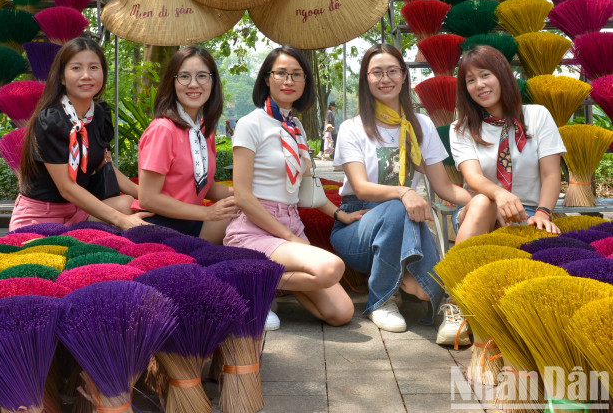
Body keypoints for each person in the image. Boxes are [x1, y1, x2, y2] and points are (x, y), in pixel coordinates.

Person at [329, 43, 472, 341]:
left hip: (409, 217)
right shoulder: (352, 128)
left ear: (404, 75)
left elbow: (442, 187)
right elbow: (360, 186)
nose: (385, 79)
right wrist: (404, 192)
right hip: (357, 224)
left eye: (393, 71)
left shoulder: (422, 125)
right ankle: (383, 299)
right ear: (366, 79)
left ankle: (437, 300)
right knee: (399, 206)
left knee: (420, 286)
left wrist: (484, 200)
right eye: (377, 72)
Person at [226, 45, 363, 329]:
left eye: (296, 75)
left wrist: (341, 215)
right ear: (267, 78)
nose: (288, 81)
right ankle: (245, 278)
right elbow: (242, 196)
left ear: (305, 82)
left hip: (290, 220)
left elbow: (305, 188)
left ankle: (260, 283)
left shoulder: (295, 127)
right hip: (255, 227)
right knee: (331, 267)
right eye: (281, 74)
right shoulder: (250, 124)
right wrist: (289, 237)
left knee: (341, 313)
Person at [10, 38, 149, 231]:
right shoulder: (51, 120)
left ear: (103, 73)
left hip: (79, 212)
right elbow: (66, 188)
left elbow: (104, 164)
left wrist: (148, 197)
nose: (86, 75)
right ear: (62, 77)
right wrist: (121, 220)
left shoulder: (99, 113)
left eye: (93, 68)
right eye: (76, 68)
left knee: (128, 203)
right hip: (41, 216)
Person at [450, 45, 564, 243]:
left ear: (502, 75)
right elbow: (473, 177)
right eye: (470, 80)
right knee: (483, 202)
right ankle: (457, 271)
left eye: (485, 75)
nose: (479, 84)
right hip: (480, 214)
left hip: (530, 213)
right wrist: (499, 196)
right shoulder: (461, 128)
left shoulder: (537, 115)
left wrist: (543, 213)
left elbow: (551, 174)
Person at [135, 46, 236, 243]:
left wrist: (248, 194)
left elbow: (204, 187)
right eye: (184, 76)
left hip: (192, 222)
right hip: (159, 226)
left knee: (251, 213)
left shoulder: (204, 131)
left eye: (202, 76)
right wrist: (206, 213)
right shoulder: (163, 130)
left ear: (212, 81)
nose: (193, 84)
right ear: (172, 83)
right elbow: (148, 198)